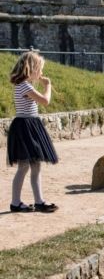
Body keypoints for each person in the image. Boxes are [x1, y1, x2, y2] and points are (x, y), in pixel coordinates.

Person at [7, 51, 59, 213]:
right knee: (24, 166)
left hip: (29, 125)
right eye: (40, 69)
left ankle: (39, 201)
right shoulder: (24, 85)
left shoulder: (23, 84)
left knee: (35, 165)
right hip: (25, 127)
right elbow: (45, 101)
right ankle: (16, 202)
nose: (42, 73)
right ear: (32, 69)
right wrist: (48, 86)